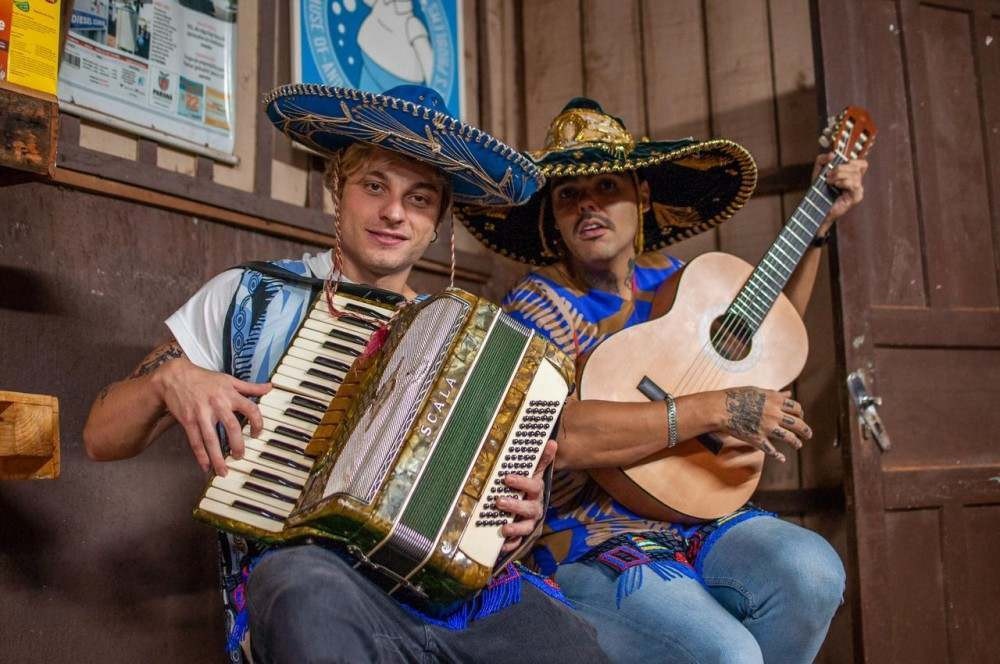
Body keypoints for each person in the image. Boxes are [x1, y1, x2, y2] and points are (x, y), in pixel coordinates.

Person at [83, 85, 607, 664]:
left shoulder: (470, 347)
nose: (393, 213)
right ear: (338, 187)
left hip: (444, 599)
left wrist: (516, 524)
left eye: (420, 198)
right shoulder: (250, 296)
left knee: (571, 642)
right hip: (310, 580)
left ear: (438, 221)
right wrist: (170, 378)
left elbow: (497, 528)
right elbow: (101, 437)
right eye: (375, 185)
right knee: (307, 590)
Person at [456, 97, 868, 663]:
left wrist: (815, 227)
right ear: (552, 216)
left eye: (606, 186)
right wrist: (718, 409)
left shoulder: (677, 278)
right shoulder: (538, 304)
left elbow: (768, 337)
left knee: (814, 572)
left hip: (700, 516)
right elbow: (563, 436)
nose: (587, 206)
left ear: (642, 197)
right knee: (730, 655)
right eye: (568, 195)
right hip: (593, 540)